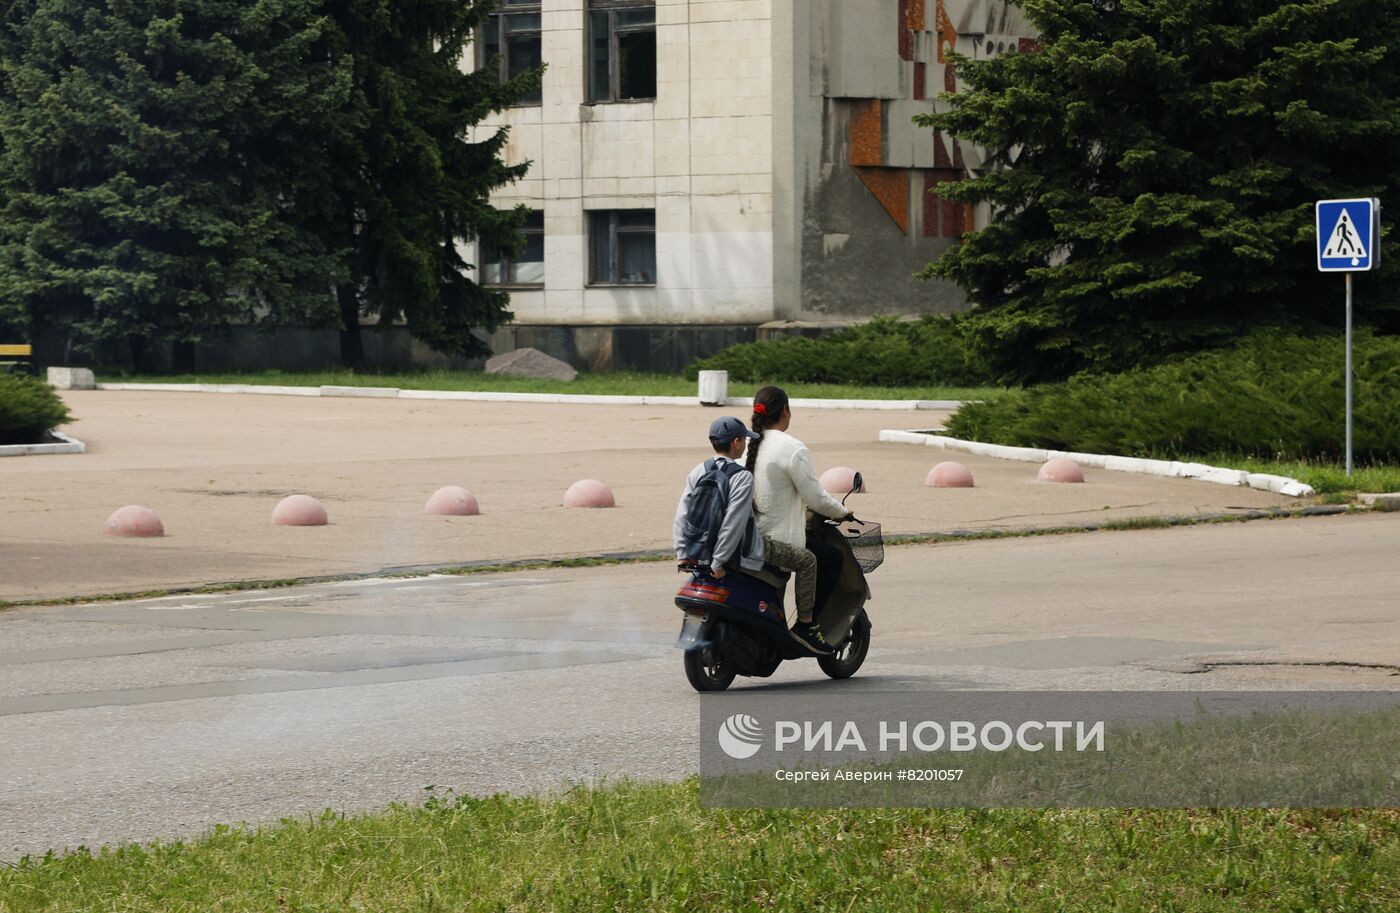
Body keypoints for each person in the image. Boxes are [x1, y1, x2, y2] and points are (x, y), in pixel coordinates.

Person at [746, 385, 852, 655]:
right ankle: (807, 625)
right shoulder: (792, 448)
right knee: (830, 558)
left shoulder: (745, 443)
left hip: (746, 536)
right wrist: (841, 512)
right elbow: (815, 497)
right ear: (785, 411)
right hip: (777, 540)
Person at [672, 416, 765, 578]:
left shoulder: (699, 470)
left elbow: (682, 514)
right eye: (744, 440)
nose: (745, 444)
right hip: (734, 558)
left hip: (698, 553)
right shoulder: (742, 477)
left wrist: (681, 554)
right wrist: (717, 562)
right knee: (804, 560)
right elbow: (733, 523)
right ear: (736, 442)